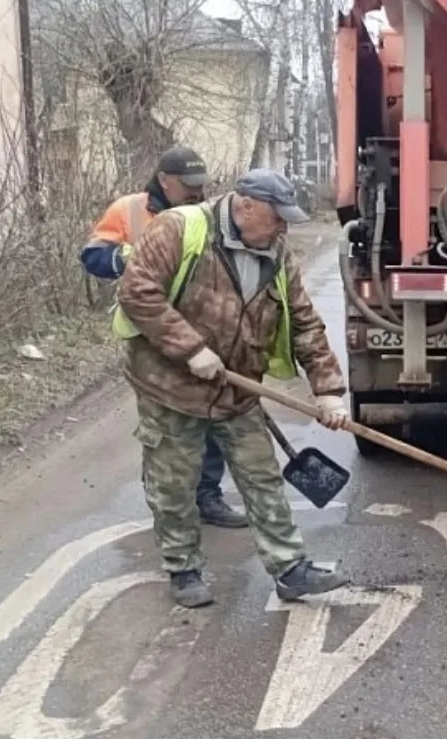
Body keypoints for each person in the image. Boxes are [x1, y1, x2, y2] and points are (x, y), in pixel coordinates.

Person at [114, 168, 352, 608]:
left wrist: (328, 390)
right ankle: (183, 568)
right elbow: (137, 291)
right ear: (245, 206)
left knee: (261, 478)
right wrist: (189, 349)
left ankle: (290, 569)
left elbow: (304, 322)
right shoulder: (180, 229)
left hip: (237, 389)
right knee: (175, 485)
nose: (282, 227)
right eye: (276, 217)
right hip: (169, 386)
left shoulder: (275, 254)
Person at [81, 146, 248, 530]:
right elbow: (92, 258)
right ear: (164, 180)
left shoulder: (211, 214)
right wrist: (129, 257)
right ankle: (164, 492)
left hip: (203, 333)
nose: (196, 192)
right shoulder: (129, 210)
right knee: (164, 422)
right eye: (188, 185)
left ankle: (207, 495)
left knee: (209, 411)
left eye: (200, 185)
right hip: (151, 337)